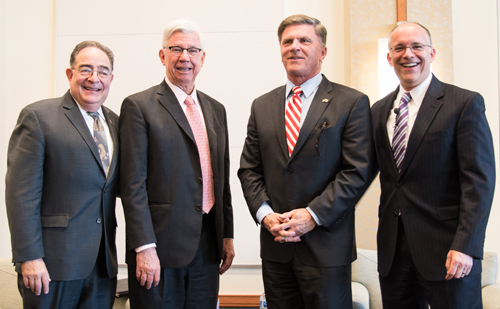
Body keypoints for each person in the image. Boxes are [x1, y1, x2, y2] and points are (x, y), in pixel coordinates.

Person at [238, 14, 373, 309]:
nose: (294, 47)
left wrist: (312, 216)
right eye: (287, 41)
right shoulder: (262, 105)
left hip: (326, 248)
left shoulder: (351, 102)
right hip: (276, 247)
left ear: (322, 52)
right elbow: (249, 169)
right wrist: (265, 214)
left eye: (304, 40)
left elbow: (357, 172)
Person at [371, 22, 495, 309]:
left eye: (416, 46)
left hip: (448, 251)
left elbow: (479, 182)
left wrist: (466, 246)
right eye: (399, 48)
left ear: (432, 52)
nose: (408, 54)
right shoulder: (378, 111)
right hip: (393, 254)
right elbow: (362, 173)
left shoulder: (464, 103)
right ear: (389, 58)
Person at [119, 19, 234, 308]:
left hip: (208, 248)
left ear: (202, 58)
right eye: (176, 49)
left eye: (193, 50)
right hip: (159, 249)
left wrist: (227, 234)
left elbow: (221, 179)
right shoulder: (139, 106)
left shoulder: (216, 109)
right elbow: (133, 185)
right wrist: (143, 247)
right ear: (162, 55)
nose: (185, 57)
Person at [5, 40, 119, 308]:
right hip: (52, 265)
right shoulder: (38, 117)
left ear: (111, 78)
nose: (94, 78)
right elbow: (21, 195)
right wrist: (29, 257)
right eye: (85, 69)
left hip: (102, 266)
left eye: (103, 71)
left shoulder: (115, 121)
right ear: (70, 74)